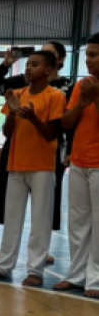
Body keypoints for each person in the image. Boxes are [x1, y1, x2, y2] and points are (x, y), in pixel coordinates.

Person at [0, 51, 65, 287]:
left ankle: (35, 270)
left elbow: (52, 134)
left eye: (34, 65)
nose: (28, 69)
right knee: (12, 219)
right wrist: (12, 111)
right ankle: (4, 266)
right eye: (27, 65)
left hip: (43, 167)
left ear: (48, 70)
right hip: (16, 164)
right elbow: (7, 133)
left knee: (40, 220)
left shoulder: (54, 96)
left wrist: (33, 118)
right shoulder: (17, 94)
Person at [53, 36, 99, 298]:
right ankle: (77, 274)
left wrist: (96, 98)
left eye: (94, 55)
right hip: (80, 160)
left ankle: (96, 278)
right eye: (88, 55)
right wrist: (82, 102)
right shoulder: (82, 85)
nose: (88, 60)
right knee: (78, 222)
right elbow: (66, 124)